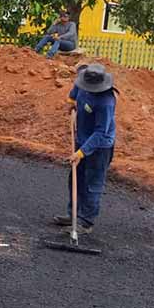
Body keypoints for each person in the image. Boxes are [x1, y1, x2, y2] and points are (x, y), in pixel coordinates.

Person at [52, 63, 116, 233]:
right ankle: (73, 214)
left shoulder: (106, 101)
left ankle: (86, 222)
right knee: (75, 179)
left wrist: (81, 152)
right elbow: (73, 96)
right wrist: (72, 104)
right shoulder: (82, 84)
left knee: (92, 183)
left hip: (99, 146)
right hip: (81, 138)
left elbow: (101, 132)